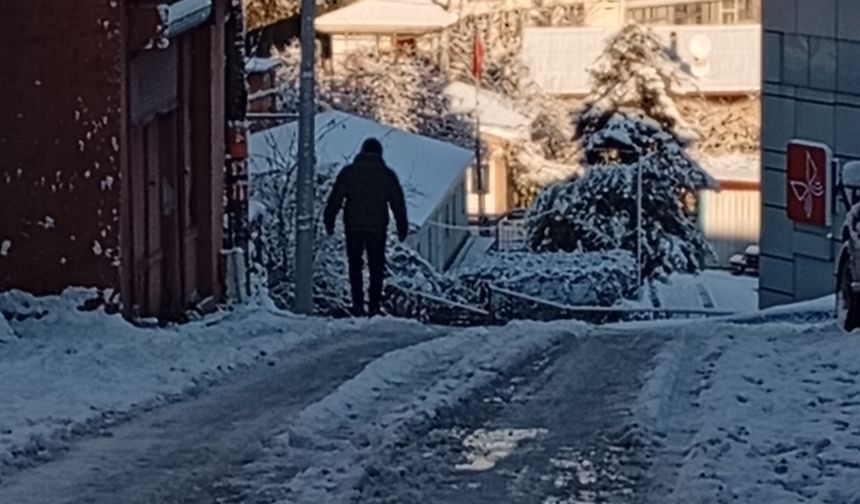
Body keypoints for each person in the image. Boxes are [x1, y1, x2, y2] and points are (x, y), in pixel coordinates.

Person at [324, 138, 409, 317]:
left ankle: (357, 304)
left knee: (355, 265)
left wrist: (329, 220)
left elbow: (336, 198)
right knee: (376, 266)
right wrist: (402, 226)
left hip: (353, 226)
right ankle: (374, 306)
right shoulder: (387, 175)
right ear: (380, 154)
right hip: (378, 227)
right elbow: (397, 203)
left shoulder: (349, 172)